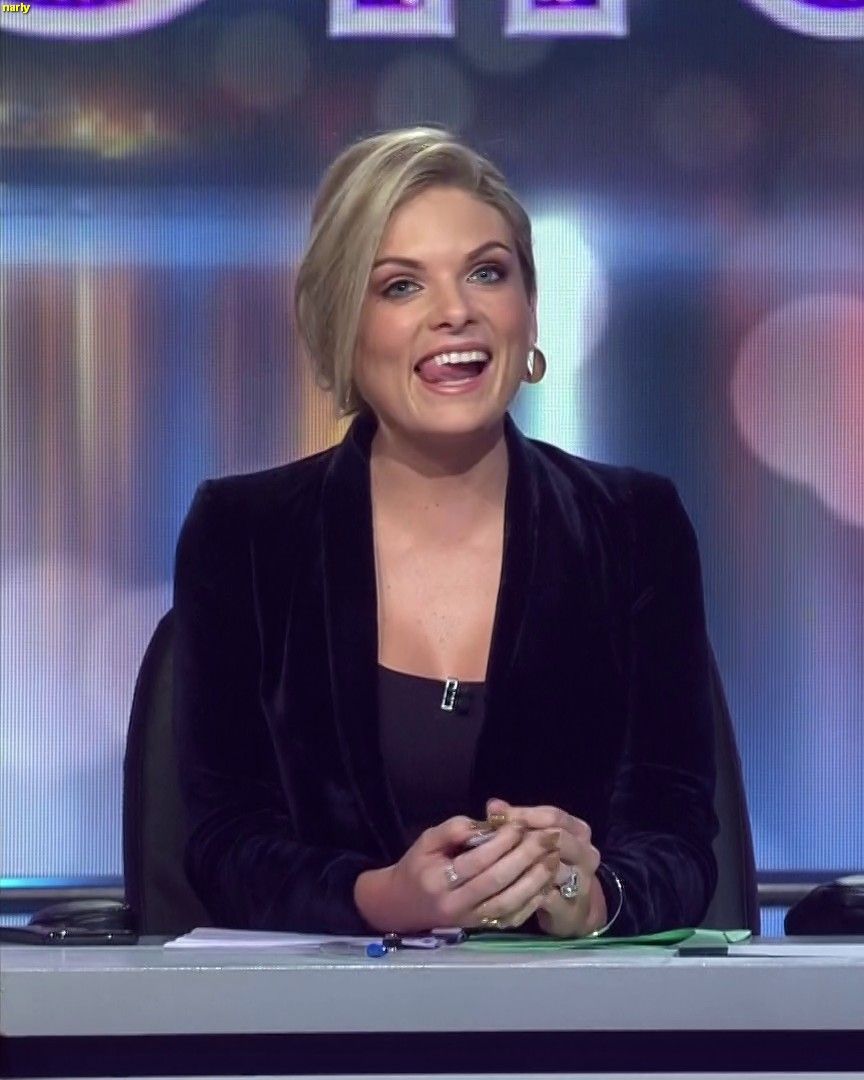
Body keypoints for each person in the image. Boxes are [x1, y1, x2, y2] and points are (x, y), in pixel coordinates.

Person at [174, 128, 718, 936]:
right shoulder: (245, 534)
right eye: (401, 286)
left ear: (529, 309)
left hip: (573, 1010)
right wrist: (380, 899)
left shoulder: (634, 526)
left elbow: (678, 835)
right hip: (323, 1009)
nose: (456, 312)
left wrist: (591, 898)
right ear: (342, 325)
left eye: (487, 273)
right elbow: (223, 842)